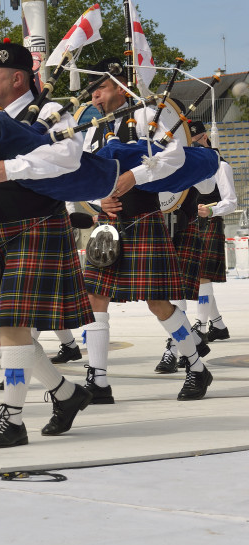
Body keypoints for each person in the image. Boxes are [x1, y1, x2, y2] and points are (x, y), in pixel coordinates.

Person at [0, 40, 94, 447]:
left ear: (17, 77)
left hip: (36, 226)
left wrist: (8, 169)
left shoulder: (50, 112)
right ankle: (66, 393)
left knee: (11, 327)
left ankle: (13, 419)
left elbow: (68, 156)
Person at [80, 59, 213, 403]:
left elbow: (175, 158)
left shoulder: (144, 116)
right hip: (109, 226)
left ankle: (197, 368)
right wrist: (99, 200)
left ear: (121, 86)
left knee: (158, 303)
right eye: (92, 90)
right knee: (95, 298)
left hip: (142, 221)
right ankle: (98, 380)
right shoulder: (94, 129)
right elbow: (85, 174)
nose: (95, 96)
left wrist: (132, 177)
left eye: (102, 87)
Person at [155, 119, 235, 372]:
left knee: (201, 279)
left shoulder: (220, 166)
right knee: (185, 283)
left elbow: (230, 201)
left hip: (206, 221)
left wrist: (210, 210)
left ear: (202, 138)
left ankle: (195, 331)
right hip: (179, 221)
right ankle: (211, 328)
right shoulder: (176, 162)